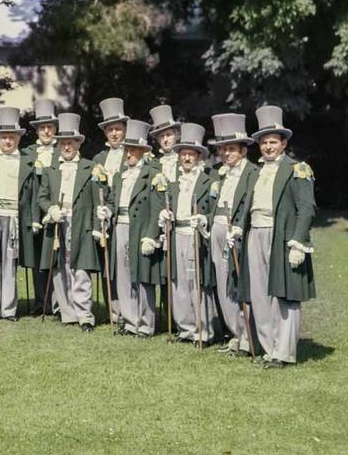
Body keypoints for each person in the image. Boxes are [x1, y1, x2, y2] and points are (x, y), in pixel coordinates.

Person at [236, 105, 316, 368]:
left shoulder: (297, 169)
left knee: (284, 295)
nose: (268, 147)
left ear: (284, 144)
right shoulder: (255, 172)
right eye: (264, 143)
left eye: (273, 142)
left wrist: (298, 242)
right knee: (259, 293)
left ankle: (283, 352)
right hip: (255, 233)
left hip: (281, 235)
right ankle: (269, 348)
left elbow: (306, 208)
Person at [0, 107, 48, 321]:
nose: (7, 141)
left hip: (15, 215)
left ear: (18, 138)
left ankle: (8, 309)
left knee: (10, 261)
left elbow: (33, 192)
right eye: (4, 137)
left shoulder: (26, 160)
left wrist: (34, 219)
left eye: (11, 137)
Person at [38, 113, 110, 331]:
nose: (66, 147)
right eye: (63, 143)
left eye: (70, 143)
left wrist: (98, 228)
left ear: (78, 143)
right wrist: (50, 209)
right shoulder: (51, 170)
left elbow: (100, 199)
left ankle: (84, 314)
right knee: (60, 267)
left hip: (82, 224)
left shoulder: (90, 168)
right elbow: (42, 196)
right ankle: (67, 312)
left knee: (80, 269)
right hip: (58, 221)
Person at [207, 112, 259, 356]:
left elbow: (249, 204)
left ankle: (249, 337)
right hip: (217, 229)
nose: (226, 154)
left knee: (237, 283)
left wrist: (238, 227)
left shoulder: (251, 173)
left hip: (236, 232)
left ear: (244, 150)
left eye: (231, 149)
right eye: (223, 150)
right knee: (222, 282)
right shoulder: (220, 172)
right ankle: (235, 334)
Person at [106, 120, 163, 337]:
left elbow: (158, 208)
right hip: (120, 225)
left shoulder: (152, 175)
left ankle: (146, 324)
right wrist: (108, 211)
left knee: (142, 276)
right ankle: (130, 322)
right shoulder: (120, 176)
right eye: (126, 150)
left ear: (142, 151)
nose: (128, 154)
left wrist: (151, 236)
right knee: (122, 275)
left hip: (139, 229)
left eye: (133, 150)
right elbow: (113, 200)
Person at [163, 122, 216, 344]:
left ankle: (204, 331)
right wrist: (166, 215)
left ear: (198, 156)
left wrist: (203, 220)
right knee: (179, 282)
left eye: (191, 154)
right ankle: (184, 328)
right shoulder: (174, 183)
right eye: (183, 154)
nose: (186, 158)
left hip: (197, 234)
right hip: (178, 233)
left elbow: (214, 209)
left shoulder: (208, 180)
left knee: (197, 281)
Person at [22, 98, 58, 313]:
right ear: (36, 130)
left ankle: (57, 301)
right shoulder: (27, 153)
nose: (46, 131)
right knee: (36, 258)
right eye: (42, 128)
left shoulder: (62, 151)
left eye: (50, 127)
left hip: (55, 208)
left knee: (56, 257)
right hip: (32, 212)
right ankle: (39, 301)